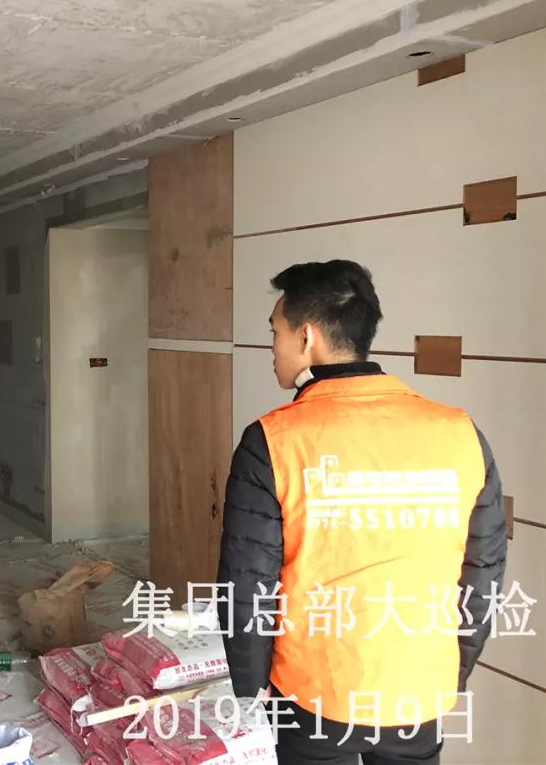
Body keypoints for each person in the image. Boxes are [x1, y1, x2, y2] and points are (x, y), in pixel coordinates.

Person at [217, 260, 507, 765]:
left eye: (275, 332)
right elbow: (483, 572)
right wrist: (448, 672)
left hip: (313, 691)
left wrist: (250, 687)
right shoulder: (461, 433)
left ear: (307, 336)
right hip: (418, 690)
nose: (273, 347)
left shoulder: (273, 441)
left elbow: (247, 585)